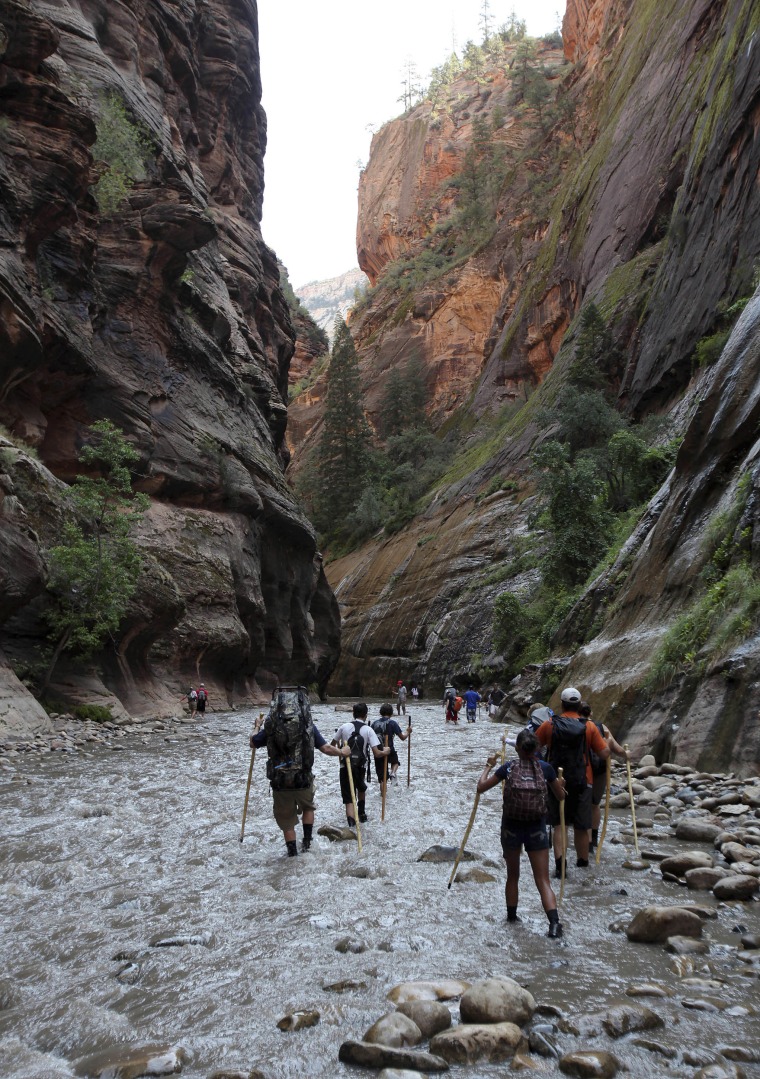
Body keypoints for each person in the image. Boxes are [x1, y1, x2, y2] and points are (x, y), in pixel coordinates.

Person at [477, 730, 566, 938]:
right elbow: (561, 797)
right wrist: (561, 785)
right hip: (537, 828)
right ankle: (554, 924)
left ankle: (511, 917)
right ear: (537, 749)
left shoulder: (508, 768)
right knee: (543, 879)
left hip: (511, 827)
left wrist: (488, 765)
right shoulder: (546, 769)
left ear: (516, 748)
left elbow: (481, 788)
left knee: (513, 875)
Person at [249, 692, 349, 856]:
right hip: (302, 778)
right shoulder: (306, 724)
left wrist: (257, 726)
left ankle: (292, 854)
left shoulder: (271, 725)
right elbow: (326, 748)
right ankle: (307, 844)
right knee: (308, 807)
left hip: (279, 781)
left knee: (286, 820)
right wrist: (342, 752)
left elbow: (253, 742)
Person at [534, 686, 610, 877]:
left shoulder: (549, 724)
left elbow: (533, 747)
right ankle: (583, 864)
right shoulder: (590, 727)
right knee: (581, 825)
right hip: (584, 780)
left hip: (556, 781)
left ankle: (561, 866)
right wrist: (607, 742)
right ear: (579, 705)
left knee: (560, 824)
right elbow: (603, 753)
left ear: (562, 704)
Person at [579, 701, 629, 852]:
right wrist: (627, 755)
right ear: (591, 713)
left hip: (581, 770)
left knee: (583, 806)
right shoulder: (602, 727)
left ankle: (585, 841)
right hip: (600, 770)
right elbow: (615, 747)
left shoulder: (572, 725)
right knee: (595, 805)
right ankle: (593, 840)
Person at [332, 703, 390, 827]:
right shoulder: (368, 730)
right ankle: (362, 813)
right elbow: (377, 753)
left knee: (348, 797)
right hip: (360, 766)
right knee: (361, 788)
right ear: (366, 714)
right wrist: (385, 751)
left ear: (353, 713)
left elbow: (331, 746)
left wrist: (341, 750)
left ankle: (351, 826)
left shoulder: (344, 727)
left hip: (345, 766)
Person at [371, 703, 411, 785]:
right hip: (389, 749)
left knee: (382, 779)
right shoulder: (392, 723)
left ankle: (383, 795)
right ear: (391, 713)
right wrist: (408, 732)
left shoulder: (374, 723)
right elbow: (402, 737)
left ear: (381, 712)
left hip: (378, 751)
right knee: (395, 762)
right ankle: (393, 772)